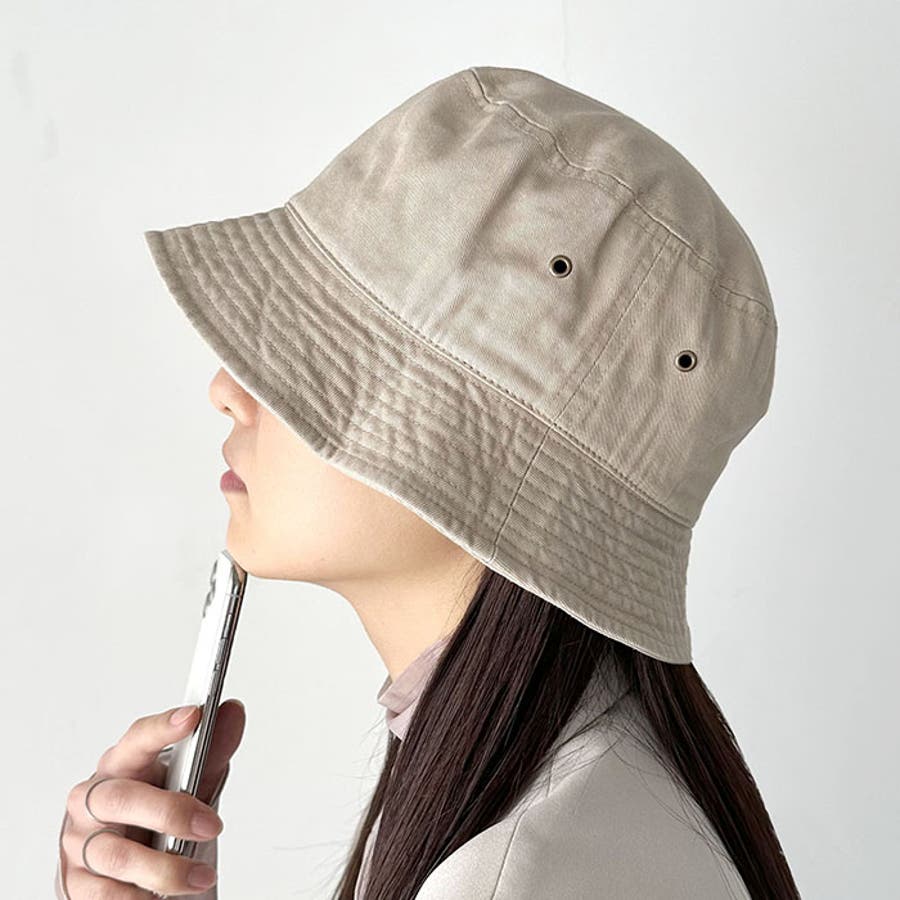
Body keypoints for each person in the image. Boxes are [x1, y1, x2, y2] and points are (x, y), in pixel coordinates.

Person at [56, 65, 801, 898]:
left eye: (317, 350)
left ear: (474, 454)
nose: (227, 390)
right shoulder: (560, 798)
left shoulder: (516, 869)